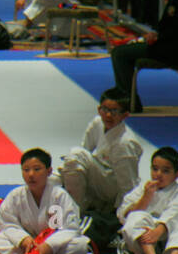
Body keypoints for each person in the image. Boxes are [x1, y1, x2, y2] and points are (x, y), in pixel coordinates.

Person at [59, 87, 144, 215]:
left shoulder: (125, 143)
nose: (108, 115)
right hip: (100, 179)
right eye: (105, 110)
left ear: (125, 115)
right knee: (52, 177)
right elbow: (84, 154)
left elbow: (128, 186)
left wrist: (120, 215)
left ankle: (73, 214)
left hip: (113, 190)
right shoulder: (97, 122)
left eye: (114, 111)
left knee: (76, 154)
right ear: (99, 109)